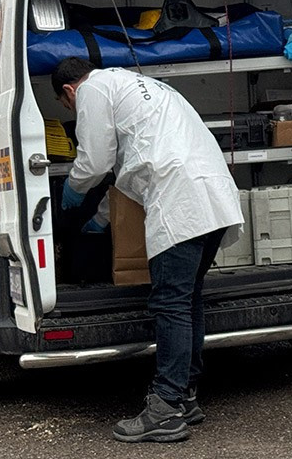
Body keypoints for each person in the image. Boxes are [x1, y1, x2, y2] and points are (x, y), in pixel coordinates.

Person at [52, 57, 244, 443]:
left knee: (170, 302)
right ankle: (184, 397)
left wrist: (73, 187)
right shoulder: (136, 85)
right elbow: (129, 163)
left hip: (180, 199)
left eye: (67, 105)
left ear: (69, 92)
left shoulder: (90, 90)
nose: (74, 109)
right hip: (214, 193)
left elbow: (96, 161)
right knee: (188, 299)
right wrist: (102, 219)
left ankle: (164, 408)